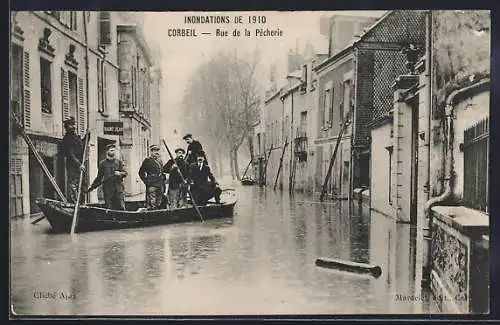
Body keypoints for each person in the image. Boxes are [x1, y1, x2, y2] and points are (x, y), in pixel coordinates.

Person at [85, 143, 127, 210]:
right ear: (107, 151)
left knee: (121, 207)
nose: (113, 152)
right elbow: (99, 178)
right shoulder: (103, 163)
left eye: (114, 150)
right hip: (108, 190)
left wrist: (120, 173)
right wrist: (91, 187)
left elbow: (125, 173)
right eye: (111, 150)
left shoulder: (119, 162)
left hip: (118, 189)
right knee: (109, 209)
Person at [61, 117, 88, 203]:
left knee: (83, 183)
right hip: (73, 164)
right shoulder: (67, 138)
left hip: (81, 162)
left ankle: (82, 202)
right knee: (73, 184)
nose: (73, 126)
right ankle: (74, 203)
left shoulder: (76, 137)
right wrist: (79, 164)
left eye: (74, 124)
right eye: (71, 125)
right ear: (66, 127)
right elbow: (70, 154)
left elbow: (82, 146)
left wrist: (87, 136)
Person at [138, 145, 165, 210]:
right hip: (152, 183)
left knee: (159, 200)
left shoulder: (160, 161)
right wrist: (146, 181)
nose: (156, 152)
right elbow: (141, 172)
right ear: (151, 152)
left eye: (157, 151)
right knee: (152, 201)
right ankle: (151, 212)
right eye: (154, 151)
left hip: (160, 183)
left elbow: (161, 171)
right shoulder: (147, 160)